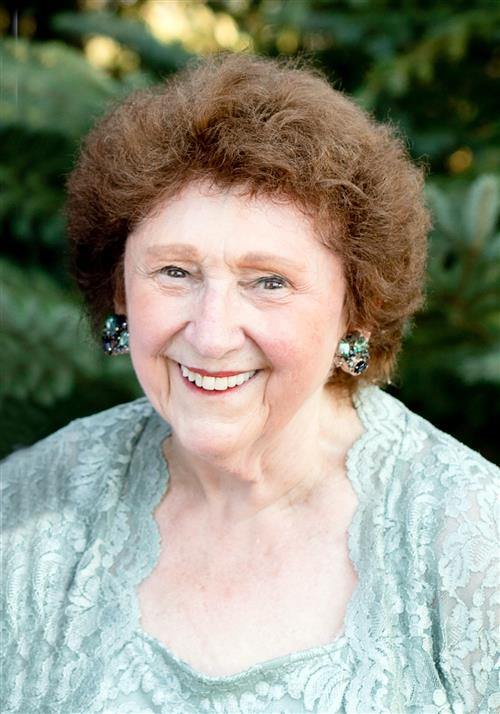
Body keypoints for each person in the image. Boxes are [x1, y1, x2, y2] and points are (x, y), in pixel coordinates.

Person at [1, 53, 498, 714]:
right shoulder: (30, 510)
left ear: (355, 310)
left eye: (269, 282)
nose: (211, 335)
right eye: (175, 272)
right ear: (120, 289)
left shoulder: (472, 539)